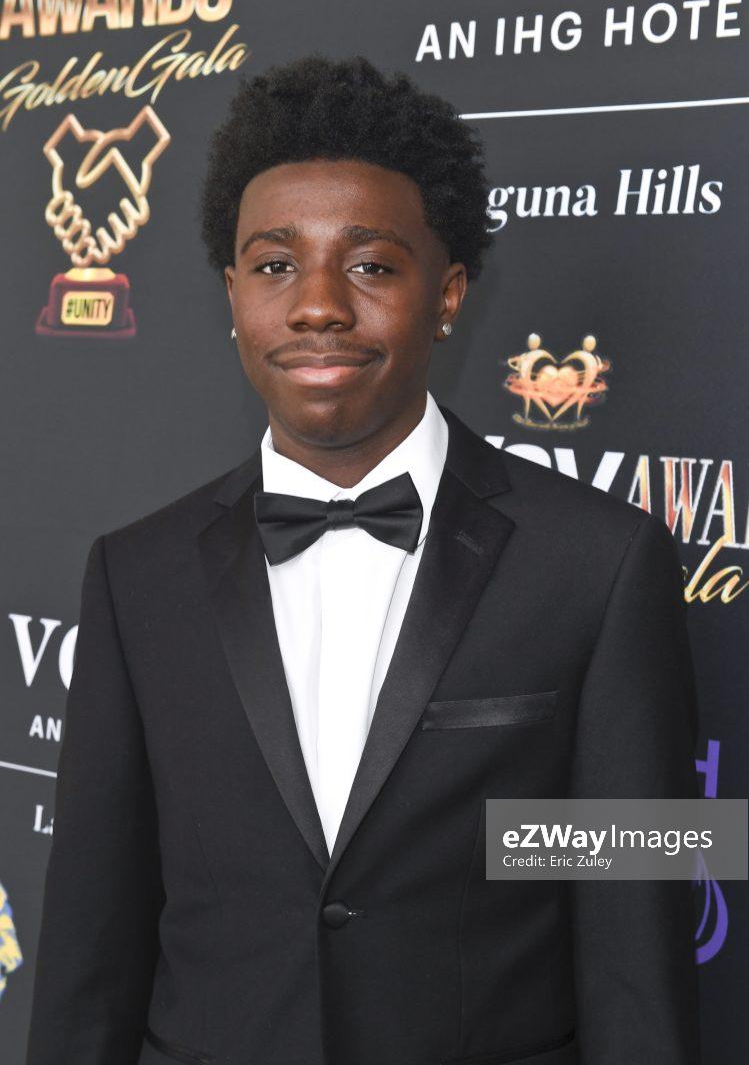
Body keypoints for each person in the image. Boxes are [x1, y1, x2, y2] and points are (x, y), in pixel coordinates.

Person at [26, 55, 700, 1065]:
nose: (317, 307)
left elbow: (635, 955)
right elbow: (89, 953)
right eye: (274, 266)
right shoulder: (135, 576)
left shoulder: (601, 564)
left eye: (372, 266)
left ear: (448, 292)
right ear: (232, 297)